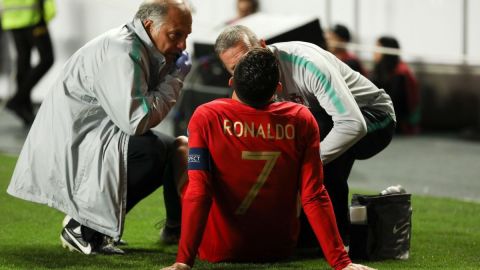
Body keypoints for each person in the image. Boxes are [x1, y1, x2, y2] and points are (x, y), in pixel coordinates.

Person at [162, 48, 375, 270]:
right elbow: (314, 195)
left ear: (232, 81)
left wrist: (183, 261)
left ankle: (172, 227)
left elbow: (200, 191)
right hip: (279, 248)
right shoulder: (301, 118)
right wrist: (342, 263)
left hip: (217, 248)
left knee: (181, 147)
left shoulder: (207, 116)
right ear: (278, 88)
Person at [7, 0, 192, 255]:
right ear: (149, 25)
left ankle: (175, 229)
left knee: (174, 148)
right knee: (151, 152)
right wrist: (175, 78)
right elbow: (136, 121)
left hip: (93, 133)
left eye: (186, 36)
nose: (182, 44)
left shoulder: (139, 45)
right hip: (72, 144)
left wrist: (170, 70)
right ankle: (83, 225)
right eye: (176, 35)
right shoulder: (122, 50)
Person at [213, 25, 396, 248]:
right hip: (327, 120)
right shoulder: (246, 82)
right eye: (236, 69)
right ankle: (307, 230)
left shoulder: (307, 64)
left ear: (263, 45)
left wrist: (305, 162)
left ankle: (336, 235)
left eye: (249, 58)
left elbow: (352, 124)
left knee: (320, 138)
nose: (248, 70)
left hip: (374, 116)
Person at [1, 0, 55, 126]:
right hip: (33, 18)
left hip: (12, 18)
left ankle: (25, 110)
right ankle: (17, 100)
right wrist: (46, 14)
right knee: (47, 59)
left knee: (23, 61)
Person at [371, 36, 420, 135]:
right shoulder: (379, 69)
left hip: (399, 119)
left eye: (378, 47)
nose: (374, 51)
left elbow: (397, 101)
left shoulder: (401, 72)